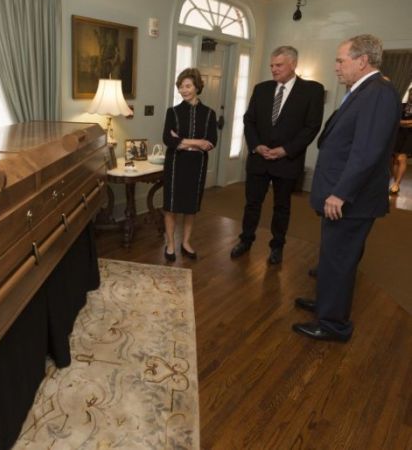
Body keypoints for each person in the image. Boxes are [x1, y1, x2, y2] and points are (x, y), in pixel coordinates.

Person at [293, 34, 400, 342]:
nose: (336, 66)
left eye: (341, 60)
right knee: (332, 256)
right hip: (344, 193)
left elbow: (367, 151)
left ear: (362, 60)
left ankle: (333, 324)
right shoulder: (363, 90)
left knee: (339, 260)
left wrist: (340, 192)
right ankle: (326, 303)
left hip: (350, 198)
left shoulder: (378, 93)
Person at [230, 46, 325, 265]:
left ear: (293, 64)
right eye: (272, 65)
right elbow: (249, 120)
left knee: (282, 208)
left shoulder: (312, 91)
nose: (273, 69)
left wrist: (286, 150)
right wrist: (256, 146)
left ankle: (277, 247)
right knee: (252, 204)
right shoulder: (261, 89)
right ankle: (245, 240)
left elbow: (311, 127)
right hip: (259, 159)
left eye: (279, 65)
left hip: (287, 161)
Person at [162, 68, 217, 261]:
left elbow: (211, 142)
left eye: (187, 86)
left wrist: (182, 141)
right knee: (171, 206)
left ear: (197, 86)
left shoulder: (209, 113)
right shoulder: (173, 112)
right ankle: (170, 244)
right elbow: (167, 140)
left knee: (190, 207)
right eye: (180, 86)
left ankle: (185, 242)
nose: (183, 90)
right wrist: (196, 142)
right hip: (176, 164)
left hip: (197, 165)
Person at [390, 87, 412, 194]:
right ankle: (395, 182)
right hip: (398, 134)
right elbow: (394, 119)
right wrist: (406, 123)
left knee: (402, 158)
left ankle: (397, 183)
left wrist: (403, 122)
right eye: (411, 94)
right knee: (395, 160)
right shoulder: (402, 105)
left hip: (410, 136)